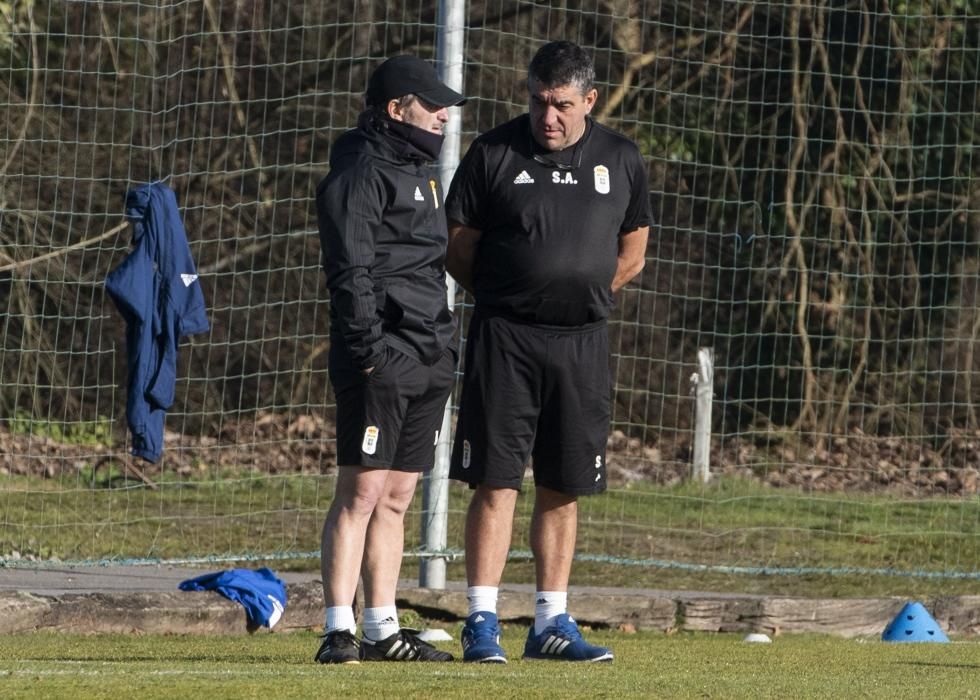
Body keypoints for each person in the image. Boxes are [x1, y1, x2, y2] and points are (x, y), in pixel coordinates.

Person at [445, 41, 651, 663]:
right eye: (537, 102)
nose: (548, 117)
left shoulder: (621, 157)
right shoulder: (493, 153)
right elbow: (459, 250)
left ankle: (550, 623)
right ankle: (481, 620)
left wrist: (579, 293)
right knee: (496, 480)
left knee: (564, 484)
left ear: (589, 100)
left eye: (561, 104)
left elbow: (633, 250)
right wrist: (516, 295)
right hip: (504, 339)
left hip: (582, 344)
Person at [314, 54, 465, 664]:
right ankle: (337, 630)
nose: (444, 118)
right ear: (397, 108)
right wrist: (371, 352)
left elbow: (428, 264)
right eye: (434, 106)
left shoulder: (424, 171)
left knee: (399, 495)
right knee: (362, 491)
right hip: (382, 357)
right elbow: (350, 272)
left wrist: (445, 342)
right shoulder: (358, 169)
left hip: (431, 355)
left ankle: (382, 629)